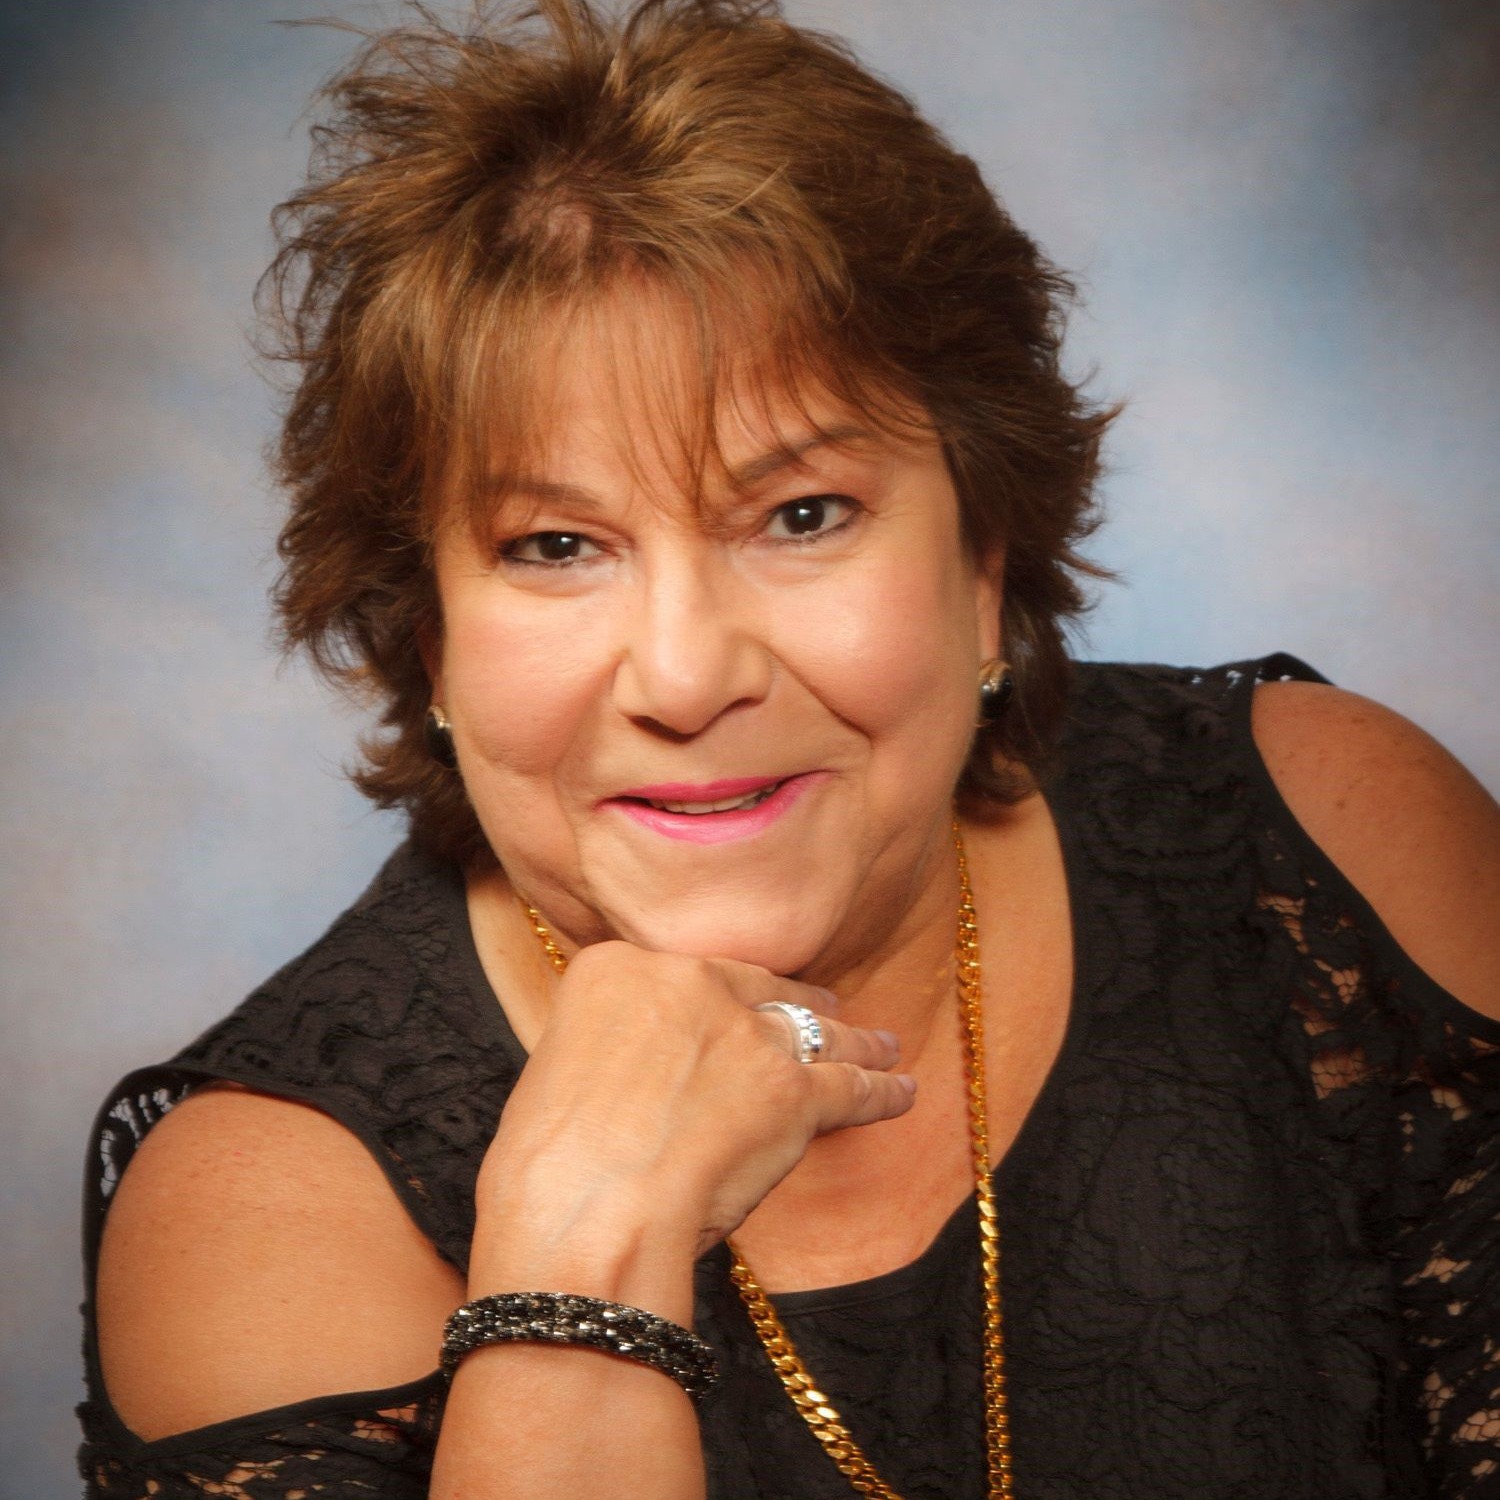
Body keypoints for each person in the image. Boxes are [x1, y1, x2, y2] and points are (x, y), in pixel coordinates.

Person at [78, 2, 1500, 1496]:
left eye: (800, 515)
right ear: (429, 634)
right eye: (555, 545)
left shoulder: (1332, 841)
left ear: (983, 563)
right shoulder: (263, 1210)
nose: (688, 679)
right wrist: (581, 1262)